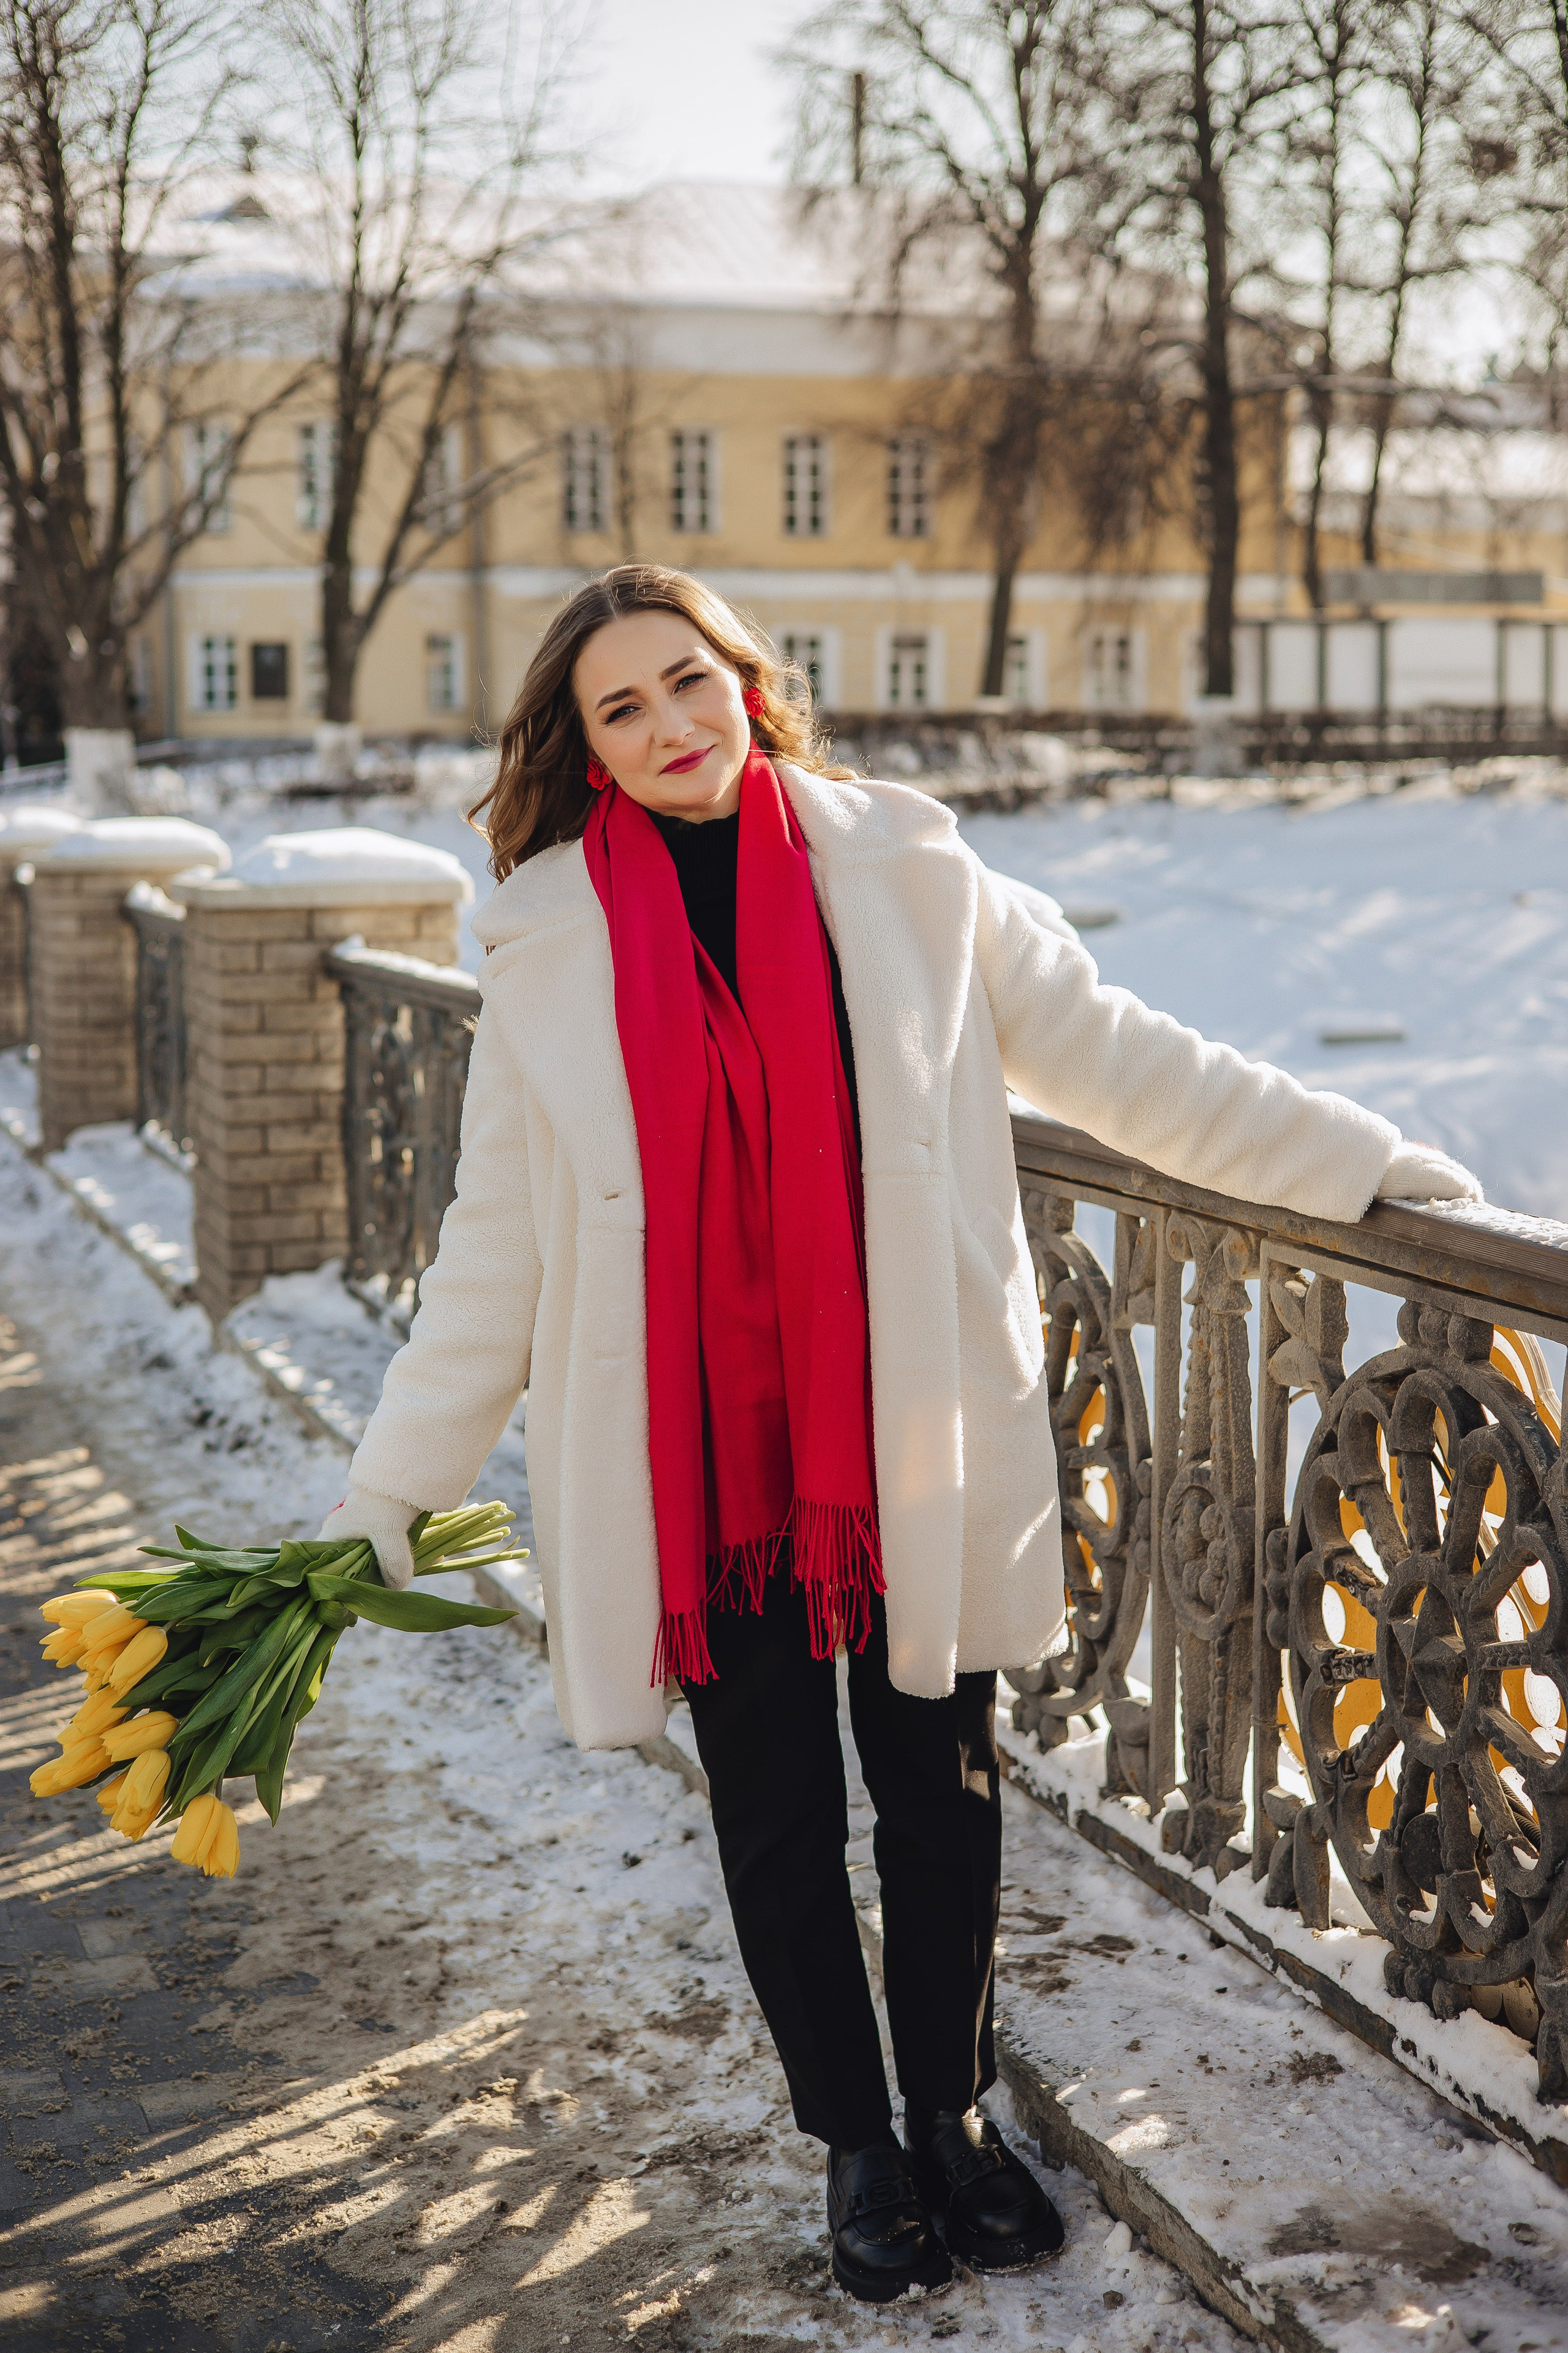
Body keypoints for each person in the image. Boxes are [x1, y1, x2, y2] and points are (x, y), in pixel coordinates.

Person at [321, 564, 1480, 2304]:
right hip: (706, 1468)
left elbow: (1111, 1054)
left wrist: (1353, 1161)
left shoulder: (910, 869)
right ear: (585, 748)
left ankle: (952, 2115)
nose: (668, 727)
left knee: (940, 1795)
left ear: (749, 681)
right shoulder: (551, 942)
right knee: (778, 1816)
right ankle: (857, 2143)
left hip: (906, 1447)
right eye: (620, 709)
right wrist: (391, 1485)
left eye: (687, 682)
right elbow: (495, 1243)